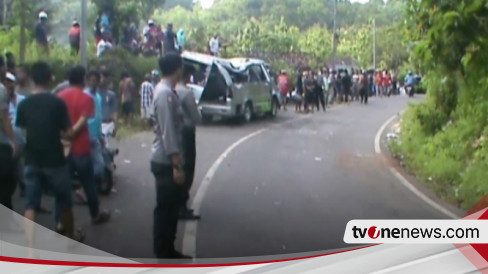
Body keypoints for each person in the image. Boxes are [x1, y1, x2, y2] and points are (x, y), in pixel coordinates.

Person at [16, 61, 84, 242]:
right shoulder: (57, 103)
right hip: (55, 160)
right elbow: (69, 133)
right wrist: (77, 128)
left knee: (30, 205)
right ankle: (70, 236)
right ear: (50, 78)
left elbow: (23, 132)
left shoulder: (24, 104)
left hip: (31, 160)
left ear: (31, 78)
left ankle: (31, 251)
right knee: (66, 202)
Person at [57, 66, 111, 225]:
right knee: (88, 184)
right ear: (83, 79)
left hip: (64, 147)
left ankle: (60, 221)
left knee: (62, 186)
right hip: (81, 147)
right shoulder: (86, 98)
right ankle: (95, 214)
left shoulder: (59, 96)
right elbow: (84, 122)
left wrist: (64, 136)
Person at [151, 53, 191, 259]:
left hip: (167, 159)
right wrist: (177, 165)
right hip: (166, 161)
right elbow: (169, 132)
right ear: (178, 68)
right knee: (166, 209)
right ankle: (163, 251)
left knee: (170, 208)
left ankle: (168, 249)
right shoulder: (165, 94)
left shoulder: (166, 91)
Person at [175, 64, 202, 220]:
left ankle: (178, 204)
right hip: (187, 130)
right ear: (188, 76)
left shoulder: (171, 90)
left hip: (175, 130)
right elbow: (196, 116)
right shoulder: (186, 93)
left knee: (179, 164)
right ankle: (182, 205)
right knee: (188, 166)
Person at [0, 70, 18, 210]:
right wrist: (13, 140)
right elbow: (5, 118)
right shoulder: (1, 90)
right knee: (7, 180)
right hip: (2, 143)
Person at [84, 71, 105, 182]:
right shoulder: (85, 95)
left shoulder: (98, 97)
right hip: (86, 134)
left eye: (95, 80)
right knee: (99, 165)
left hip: (96, 134)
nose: (93, 83)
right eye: (90, 80)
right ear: (87, 81)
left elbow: (99, 117)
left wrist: (101, 135)